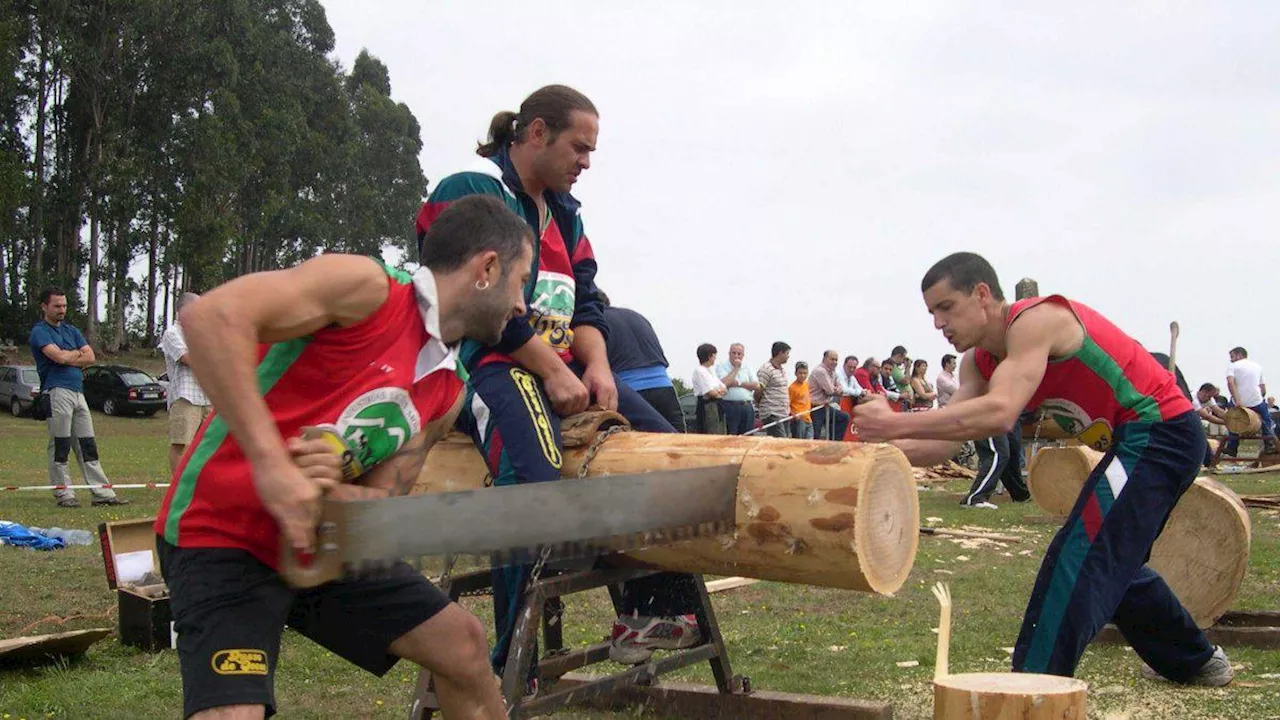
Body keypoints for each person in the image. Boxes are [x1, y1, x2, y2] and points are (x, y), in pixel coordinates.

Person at [152, 195, 530, 719]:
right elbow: (211, 318)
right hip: (222, 535)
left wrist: (334, 491)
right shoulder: (367, 289)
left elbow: (378, 500)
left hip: (320, 540)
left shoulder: (448, 392)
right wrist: (274, 465)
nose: (523, 306)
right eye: (521, 281)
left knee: (462, 643)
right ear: (488, 268)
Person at [416, 85, 701, 678]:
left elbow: (589, 305)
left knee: (663, 456)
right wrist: (549, 368)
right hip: (481, 363)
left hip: (563, 366)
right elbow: (481, 299)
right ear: (537, 132)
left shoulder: (566, 214)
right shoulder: (473, 187)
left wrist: (597, 366)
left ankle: (650, 613)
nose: (586, 163)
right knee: (535, 480)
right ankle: (500, 671)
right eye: (579, 147)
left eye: (592, 151)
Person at [853, 251, 1232, 687]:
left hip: (1161, 431)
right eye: (932, 313)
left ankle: (1030, 693)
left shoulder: (1036, 321)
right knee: (1112, 556)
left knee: (1080, 551)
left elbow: (999, 413)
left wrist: (893, 422)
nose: (938, 324)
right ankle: (1195, 661)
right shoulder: (978, 361)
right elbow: (945, 442)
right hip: (1136, 440)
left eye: (946, 307)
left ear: (981, 295)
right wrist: (879, 442)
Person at [29, 287, 127, 508]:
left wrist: (69, 355)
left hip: (77, 391)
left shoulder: (72, 330)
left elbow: (90, 356)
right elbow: (59, 357)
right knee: (60, 443)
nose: (62, 310)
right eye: (57, 306)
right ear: (45, 306)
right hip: (56, 391)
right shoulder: (40, 331)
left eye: (64, 306)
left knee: (87, 444)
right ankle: (64, 494)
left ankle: (102, 494)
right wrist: (75, 355)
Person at [601, 294, 684, 431]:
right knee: (681, 444)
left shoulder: (595, 322)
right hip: (664, 387)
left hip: (631, 393)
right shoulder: (637, 316)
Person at [160, 292, 214, 474]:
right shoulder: (172, 333)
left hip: (207, 397)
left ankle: (199, 487)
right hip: (185, 397)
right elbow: (189, 359)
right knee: (181, 445)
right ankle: (178, 491)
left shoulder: (201, 334)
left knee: (206, 446)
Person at [1224, 347, 1278, 456]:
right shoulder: (1257, 366)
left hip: (1238, 401)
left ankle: (1232, 446)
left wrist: (1238, 400)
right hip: (1256, 400)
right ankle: (1269, 444)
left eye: (1232, 356)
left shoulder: (1232, 366)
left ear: (1239, 355)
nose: (1231, 360)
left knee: (1232, 421)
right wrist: (1260, 398)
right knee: (1266, 420)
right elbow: (1263, 388)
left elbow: (1230, 383)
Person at [715, 343, 761, 435]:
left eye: (739, 354)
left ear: (743, 355)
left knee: (748, 436)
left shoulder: (747, 367)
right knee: (731, 436)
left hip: (747, 406)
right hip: (730, 406)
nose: (736, 356)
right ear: (729, 354)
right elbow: (724, 383)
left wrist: (739, 384)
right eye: (734, 353)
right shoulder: (721, 366)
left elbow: (756, 385)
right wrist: (736, 368)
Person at [808, 350, 850, 441]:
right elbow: (830, 390)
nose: (834, 362)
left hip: (826, 406)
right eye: (832, 359)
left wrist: (837, 390)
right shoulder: (820, 371)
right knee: (816, 434)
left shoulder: (833, 372)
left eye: (836, 360)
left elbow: (841, 388)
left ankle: (834, 444)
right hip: (815, 407)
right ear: (825, 359)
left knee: (843, 418)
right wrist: (836, 390)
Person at [756, 342, 792, 437]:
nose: (788, 356)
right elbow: (758, 390)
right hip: (772, 413)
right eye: (787, 353)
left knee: (786, 441)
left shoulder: (782, 370)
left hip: (784, 412)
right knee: (780, 442)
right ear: (780, 353)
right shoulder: (766, 369)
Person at [691, 343, 727, 434]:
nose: (715, 358)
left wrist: (718, 391)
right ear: (709, 356)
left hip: (718, 405)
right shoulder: (699, 371)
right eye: (714, 355)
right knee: (712, 431)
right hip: (708, 406)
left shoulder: (711, 371)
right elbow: (710, 392)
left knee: (721, 432)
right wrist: (717, 392)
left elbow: (724, 389)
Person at [789, 361, 814, 439]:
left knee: (809, 441)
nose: (803, 376)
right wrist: (793, 414)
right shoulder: (792, 388)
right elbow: (787, 404)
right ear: (796, 373)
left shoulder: (806, 384)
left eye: (805, 373)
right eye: (800, 373)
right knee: (799, 442)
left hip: (808, 418)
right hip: (799, 420)